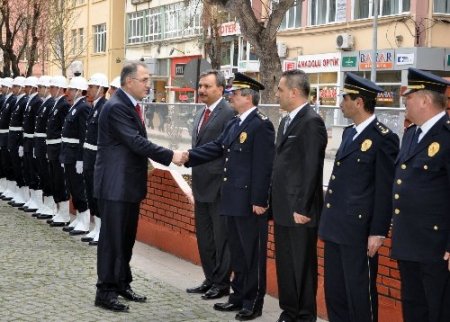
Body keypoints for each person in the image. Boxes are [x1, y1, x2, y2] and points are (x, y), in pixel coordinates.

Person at [93, 61, 185, 312]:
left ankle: (122, 283)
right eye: (144, 80)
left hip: (127, 185)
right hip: (115, 185)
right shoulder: (116, 107)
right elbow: (135, 142)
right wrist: (170, 155)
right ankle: (105, 291)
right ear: (128, 82)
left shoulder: (129, 105)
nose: (148, 85)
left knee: (126, 239)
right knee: (112, 240)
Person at [185, 72, 275, 321]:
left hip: (249, 203)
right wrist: (189, 156)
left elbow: (264, 166)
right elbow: (217, 147)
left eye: (234, 93)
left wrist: (260, 200)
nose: (231, 97)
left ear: (247, 97)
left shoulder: (261, 124)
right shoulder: (236, 123)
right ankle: (237, 297)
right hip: (231, 199)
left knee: (251, 254)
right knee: (237, 253)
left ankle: (253, 302)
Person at [318, 73, 399, 322]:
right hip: (335, 226)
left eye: (345, 97)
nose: (341, 103)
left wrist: (378, 231)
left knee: (359, 293)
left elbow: (385, 191)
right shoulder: (349, 133)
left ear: (359, 102)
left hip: (359, 230)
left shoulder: (383, 138)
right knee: (336, 292)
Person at [390, 67, 450, 322]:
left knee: (438, 309)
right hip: (409, 240)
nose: (404, 102)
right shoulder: (412, 134)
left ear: (425, 100)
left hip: (436, 246)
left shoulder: (447, 137)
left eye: (409, 97)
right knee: (413, 307)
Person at [270, 69, 328, 322]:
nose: (277, 94)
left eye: (280, 90)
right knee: (285, 264)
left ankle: (304, 315)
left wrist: (303, 208)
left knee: (302, 266)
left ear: (294, 92)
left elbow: (312, 168)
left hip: (300, 210)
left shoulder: (311, 121)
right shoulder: (286, 121)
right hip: (283, 207)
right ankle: (289, 311)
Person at [185, 70, 234, 300]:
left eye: (207, 86)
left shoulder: (228, 113)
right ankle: (210, 278)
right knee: (205, 237)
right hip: (201, 185)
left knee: (221, 238)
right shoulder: (201, 113)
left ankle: (222, 283)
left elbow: (223, 149)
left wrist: (187, 156)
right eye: (201, 85)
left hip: (219, 187)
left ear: (220, 89)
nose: (201, 90)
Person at [60, 76, 91, 235]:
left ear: (79, 91)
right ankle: (78, 218)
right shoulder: (74, 107)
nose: (68, 92)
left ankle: (85, 221)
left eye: (71, 89)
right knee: (73, 187)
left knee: (79, 188)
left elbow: (83, 136)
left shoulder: (84, 107)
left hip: (75, 154)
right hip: (69, 153)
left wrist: (80, 158)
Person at [80, 73, 109, 246]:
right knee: (91, 193)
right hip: (89, 156)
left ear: (100, 89)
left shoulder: (104, 107)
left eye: (91, 87)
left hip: (97, 158)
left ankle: (102, 231)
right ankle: (96, 228)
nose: (88, 90)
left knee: (98, 195)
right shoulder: (94, 107)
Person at [46, 76, 71, 227]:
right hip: (52, 146)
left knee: (60, 181)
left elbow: (64, 130)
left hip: (58, 146)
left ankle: (65, 214)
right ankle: (58, 211)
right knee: (54, 179)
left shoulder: (64, 105)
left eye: (53, 87)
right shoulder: (56, 104)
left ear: (60, 88)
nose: (51, 90)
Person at [33, 76, 56, 219]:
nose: (39, 90)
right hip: (40, 142)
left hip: (45, 142)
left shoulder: (50, 104)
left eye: (41, 87)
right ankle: (46, 203)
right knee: (42, 173)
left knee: (48, 175)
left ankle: (50, 205)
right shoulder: (45, 103)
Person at [21, 76, 43, 212]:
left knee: (35, 171)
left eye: (27, 86)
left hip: (33, 139)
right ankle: (33, 198)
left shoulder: (37, 102)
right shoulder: (30, 100)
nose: (25, 89)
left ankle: (37, 199)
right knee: (29, 169)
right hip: (27, 138)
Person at [7, 76, 29, 207]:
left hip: (19, 136)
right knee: (13, 164)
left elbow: (23, 125)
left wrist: (20, 142)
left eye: (15, 86)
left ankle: (24, 194)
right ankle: (19, 192)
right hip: (13, 136)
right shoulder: (17, 101)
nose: (13, 89)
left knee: (20, 167)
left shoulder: (23, 101)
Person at [0, 78, 17, 201]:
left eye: (4, 87)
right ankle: (6, 186)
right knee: (4, 162)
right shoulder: (6, 99)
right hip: (4, 133)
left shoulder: (12, 100)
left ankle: (11, 187)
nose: (2, 89)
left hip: (9, 134)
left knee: (9, 162)